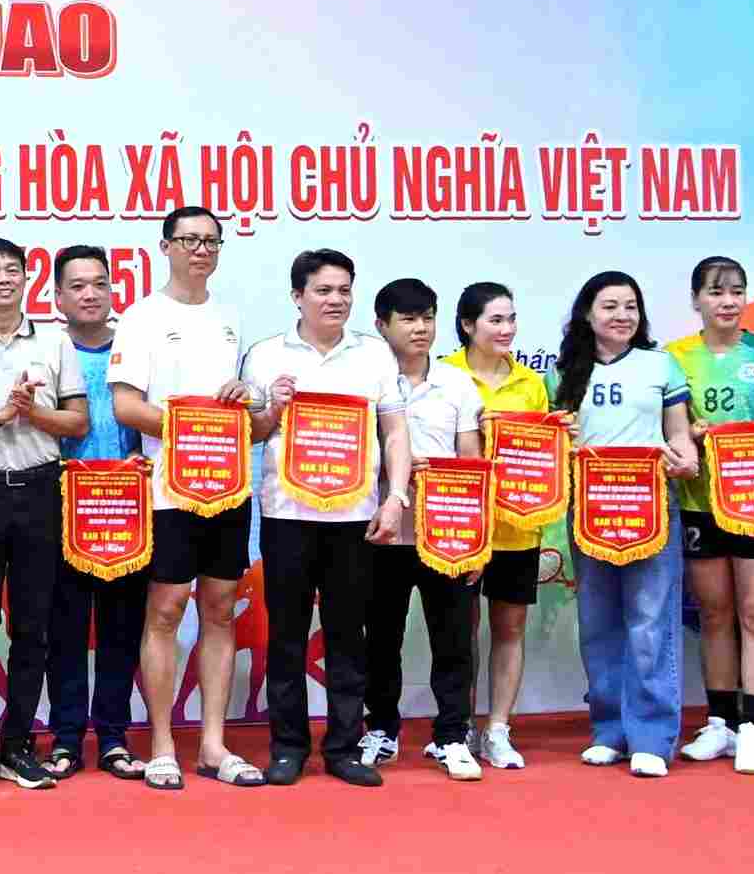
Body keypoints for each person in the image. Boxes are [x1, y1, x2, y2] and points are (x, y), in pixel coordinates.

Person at [240, 250, 412, 788]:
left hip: (354, 514)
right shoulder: (266, 356)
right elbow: (253, 434)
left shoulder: (375, 355)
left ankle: (343, 747)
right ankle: (288, 747)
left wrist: (396, 497)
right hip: (287, 513)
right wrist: (274, 410)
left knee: (347, 636)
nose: (335, 300)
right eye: (323, 291)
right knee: (286, 635)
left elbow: (395, 432)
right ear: (297, 296)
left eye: (344, 290)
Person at [106, 207, 260, 792]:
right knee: (166, 610)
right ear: (165, 246)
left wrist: (243, 401)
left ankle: (215, 745)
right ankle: (164, 743)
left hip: (229, 486)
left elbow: (243, 408)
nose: (200, 250)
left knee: (220, 610)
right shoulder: (143, 317)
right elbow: (127, 407)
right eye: (188, 240)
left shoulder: (230, 319)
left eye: (210, 241)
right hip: (169, 488)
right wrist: (194, 426)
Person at [0, 238, 88, 791]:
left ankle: (20, 743)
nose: (3, 279)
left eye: (13, 270)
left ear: (27, 279)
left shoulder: (54, 342)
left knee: (33, 626)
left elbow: (75, 424)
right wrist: (2, 416)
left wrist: (36, 413)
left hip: (40, 491)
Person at [666, 256, 754, 775]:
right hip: (700, 502)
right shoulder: (675, 358)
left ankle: (753, 726)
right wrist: (688, 436)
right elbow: (670, 428)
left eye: (735, 292)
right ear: (696, 300)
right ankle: (721, 722)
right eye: (715, 292)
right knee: (715, 616)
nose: (726, 301)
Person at [553, 271, 698, 778]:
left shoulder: (661, 364)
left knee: (650, 619)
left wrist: (685, 460)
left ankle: (653, 737)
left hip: (652, 505)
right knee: (599, 621)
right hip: (591, 507)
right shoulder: (565, 372)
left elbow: (679, 435)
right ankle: (609, 730)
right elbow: (555, 446)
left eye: (631, 306)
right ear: (587, 314)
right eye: (610, 306)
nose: (622, 316)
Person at [358, 278, 484, 781]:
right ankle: (382, 729)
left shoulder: (456, 383)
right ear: (381, 325)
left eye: (428, 317)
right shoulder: (365, 380)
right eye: (408, 319)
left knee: (453, 639)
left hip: (446, 533)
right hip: (380, 532)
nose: (421, 329)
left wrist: (478, 541)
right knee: (380, 639)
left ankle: (452, 736)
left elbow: (472, 461)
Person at [43, 246, 150, 781]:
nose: (90, 294)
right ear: (58, 296)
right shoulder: (45, 350)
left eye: (99, 284)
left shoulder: (136, 349)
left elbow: (158, 416)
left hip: (129, 506)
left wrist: (146, 461)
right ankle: (64, 738)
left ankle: (112, 735)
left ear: (113, 292)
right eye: (77, 285)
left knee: (121, 627)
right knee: (63, 628)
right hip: (62, 508)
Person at [443, 282, 557, 770]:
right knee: (459, 631)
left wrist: (557, 433)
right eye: (495, 320)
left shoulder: (531, 383)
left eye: (511, 319)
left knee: (509, 627)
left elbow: (540, 456)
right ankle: (460, 727)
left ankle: (498, 729)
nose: (506, 329)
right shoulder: (445, 374)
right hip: (461, 525)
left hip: (518, 525)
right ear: (468, 325)